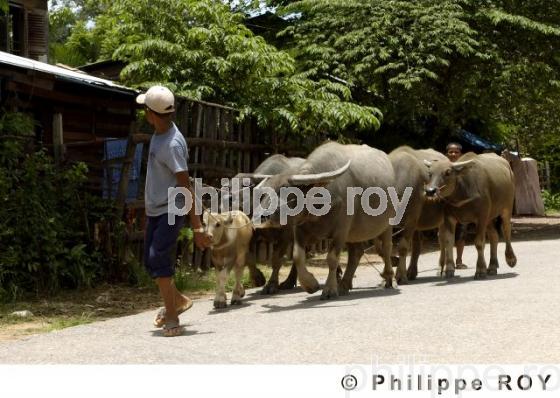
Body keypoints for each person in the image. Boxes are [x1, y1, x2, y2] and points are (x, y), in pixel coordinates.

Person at [137, 85, 211, 337]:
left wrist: (198, 226)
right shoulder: (159, 134)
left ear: (150, 113)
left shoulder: (172, 144)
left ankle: (172, 315)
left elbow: (185, 187)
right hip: (157, 209)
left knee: (159, 257)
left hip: (172, 208)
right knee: (150, 261)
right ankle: (177, 301)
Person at [446, 142, 468, 269]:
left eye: (456, 152)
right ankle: (446, 261)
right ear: (446, 154)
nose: (453, 154)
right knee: (445, 234)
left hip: (463, 205)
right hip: (446, 205)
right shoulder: (442, 167)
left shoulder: (465, 168)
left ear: (461, 154)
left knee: (461, 234)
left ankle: (459, 260)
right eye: (451, 152)